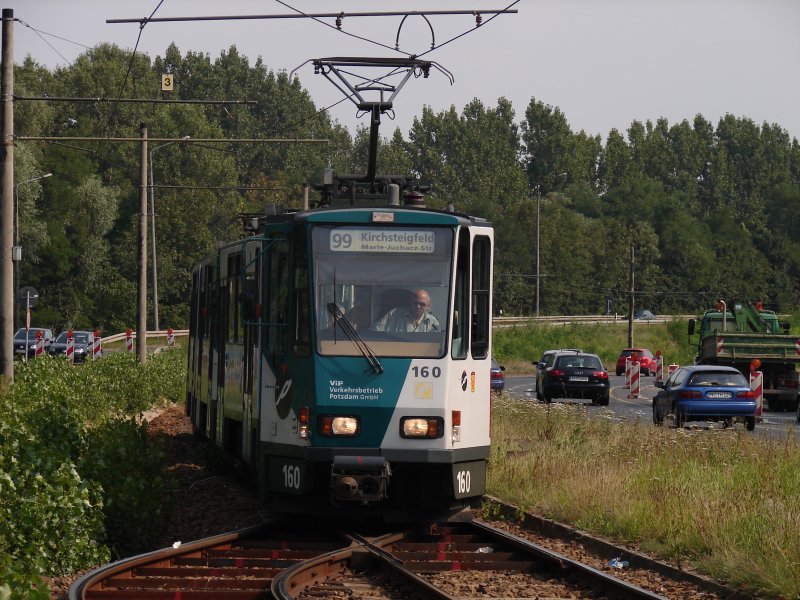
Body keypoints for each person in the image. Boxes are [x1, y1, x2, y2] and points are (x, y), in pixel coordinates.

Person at [373, 289, 440, 332]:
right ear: (410, 303)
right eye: (415, 303)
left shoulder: (432, 322)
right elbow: (374, 333)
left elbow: (437, 344)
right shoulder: (393, 315)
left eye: (422, 304)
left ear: (428, 306)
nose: (418, 306)